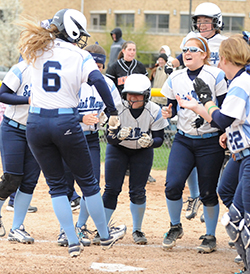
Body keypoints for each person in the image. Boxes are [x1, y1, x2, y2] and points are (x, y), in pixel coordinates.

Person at [17, 8, 126, 257]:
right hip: (65, 121)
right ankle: (105, 236)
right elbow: (99, 81)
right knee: (89, 183)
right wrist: (112, 111)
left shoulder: (35, 47)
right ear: (72, 29)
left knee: (56, 186)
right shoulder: (79, 54)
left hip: (34, 123)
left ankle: (72, 240)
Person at [176, 33, 250, 274]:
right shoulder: (240, 81)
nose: (218, 63)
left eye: (221, 58)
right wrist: (198, 106)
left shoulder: (241, 83)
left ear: (228, 58)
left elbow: (220, 118)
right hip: (241, 152)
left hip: (248, 155)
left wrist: (206, 101)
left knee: (241, 215)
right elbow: (228, 121)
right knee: (225, 191)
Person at [161, 36, 227, 253]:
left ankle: (209, 236)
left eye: (192, 49)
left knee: (208, 191)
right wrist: (168, 111)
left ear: (204, 54)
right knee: (172, 185)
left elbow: (224, 109)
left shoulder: (216, 74)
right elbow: (170, 104)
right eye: (184, 49)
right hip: (183, 139)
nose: (187, 52)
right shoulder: (175, 77)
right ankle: (175, 226)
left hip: (210, 141)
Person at [165, 2, 228, 222]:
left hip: (220, 92)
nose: (201, 25)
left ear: (216, 22)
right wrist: (170, 62)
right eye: (198, 21)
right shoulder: (190, 40)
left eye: (206, 21)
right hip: (195, 97)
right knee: (181, 167)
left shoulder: (225, 41)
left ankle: (208, 199)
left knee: (215, 174)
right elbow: (181, 57)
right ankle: (194, 197)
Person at [57, 42, 122, 247]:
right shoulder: (72, 81)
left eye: (100, 65)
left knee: (91, 184)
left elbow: (114, 111)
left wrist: (110, 121)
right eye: (93, 63)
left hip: (91, 139)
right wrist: (81, 118)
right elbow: (58, 110)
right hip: (68, 136)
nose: (96, 68)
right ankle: (64, 231)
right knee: (66, 185)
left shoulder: (108, 85)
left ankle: (80, 225)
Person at [102, 74, 168, 244]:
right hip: (118, 149)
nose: (133, 98)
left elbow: (160, 138)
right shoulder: (117, 107)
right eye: (130, 94)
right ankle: (102, 228)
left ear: (146, 95)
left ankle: (137, 230)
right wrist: (117, 137)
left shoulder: (154, 110)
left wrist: (151, 142)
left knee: (137, 191)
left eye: (138, 95)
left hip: (142, 151)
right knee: (111, 189)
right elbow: (108, 138)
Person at [0, 59, 41, 240]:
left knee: (30, 181)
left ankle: (16, 228)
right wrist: (28, 99)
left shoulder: (57, 70)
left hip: (38, 132)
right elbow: (2, 94)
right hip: (13, 128)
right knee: (12, 178)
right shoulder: (22, 68)